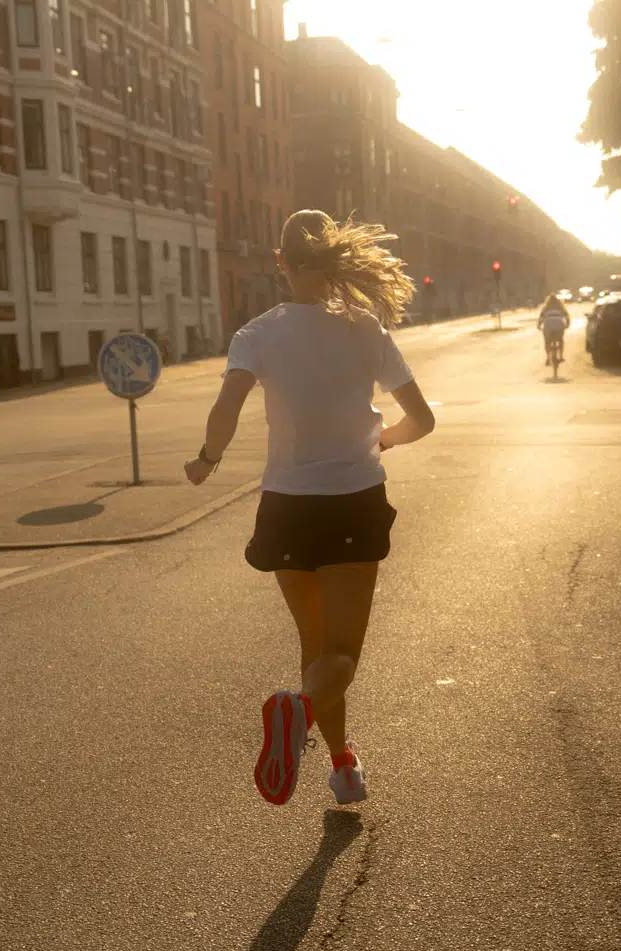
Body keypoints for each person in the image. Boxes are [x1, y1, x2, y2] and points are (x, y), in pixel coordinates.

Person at [183, 210, 436, 806]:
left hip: (287, 506)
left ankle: (343, 765)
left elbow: (227, 408)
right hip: (351, 503)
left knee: (315, 647)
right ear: (338, 262)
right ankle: (298, 711)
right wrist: (385, 439)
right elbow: (422, 419)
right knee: (342, 652)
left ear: (281, 262)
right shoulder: (365, 329)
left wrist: (205, 461)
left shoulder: (257, 333)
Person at [537, 294, 568, 365]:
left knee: (547, 342)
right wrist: (567, 324)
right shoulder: (560, 307)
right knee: (560, 340)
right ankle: (561, 356)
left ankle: (548, 358)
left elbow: (541, 318)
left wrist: (538, 326)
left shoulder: (545, 307)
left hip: (548, 325)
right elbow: (566, 316)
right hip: (559, 324)